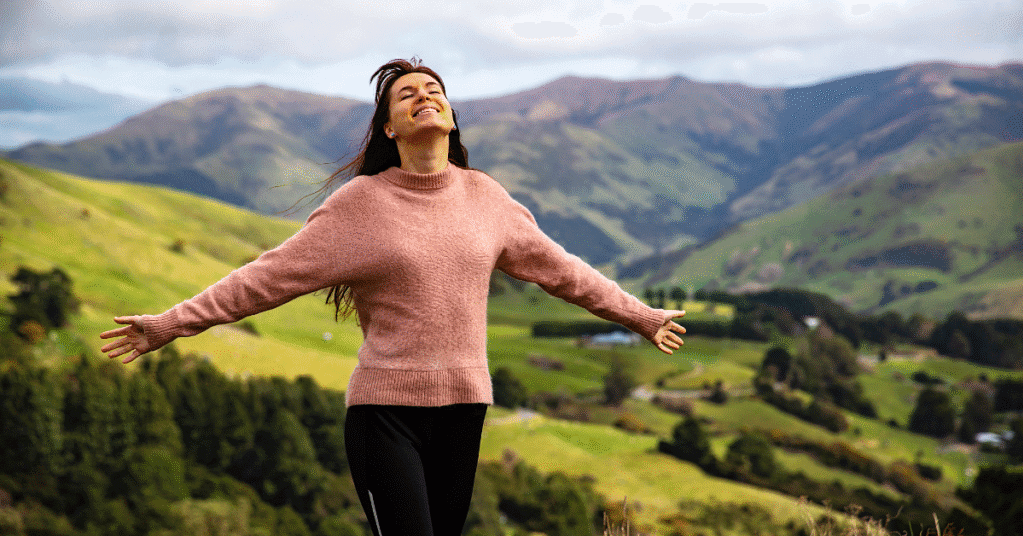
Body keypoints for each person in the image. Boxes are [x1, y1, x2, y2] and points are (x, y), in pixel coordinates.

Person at [100, 57, 686, 536]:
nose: (424, 97)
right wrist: (172, 322)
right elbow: (266, 277)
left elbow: (564, 272)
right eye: (407, 94)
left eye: (434, 91)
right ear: (389, 128)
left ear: (451, 118)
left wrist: (641, 315)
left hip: (465, 409)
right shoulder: (360, 205)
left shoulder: (487, 198)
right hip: (385, 415)